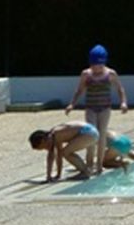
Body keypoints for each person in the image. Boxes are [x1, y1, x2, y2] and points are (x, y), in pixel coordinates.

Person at [66, 44, 128, 176]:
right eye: (94, 65)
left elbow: (120, 89)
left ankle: (99, 165)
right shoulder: (86, 74)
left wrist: (123, 102)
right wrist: (72, 104)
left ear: (104, 63)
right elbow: (79, 90)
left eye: (99, 66)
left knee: (102, 135)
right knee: (92, 135)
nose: (97, 69)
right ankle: (89, 164)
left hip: (105, 109)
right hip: (90, 108)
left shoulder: (110, 74)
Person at [29, 123, 98, 181]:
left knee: (66, 152)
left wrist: (57, 176)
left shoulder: (56, 134)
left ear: (43, 140)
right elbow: (53, 157)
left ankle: (85, 172)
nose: (46, 148)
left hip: (88, 133)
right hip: (90, 131)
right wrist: (53, 175)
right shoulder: (52, 136)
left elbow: (57, 156)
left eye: (44, 147)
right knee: (65, 152)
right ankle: (85, 170)